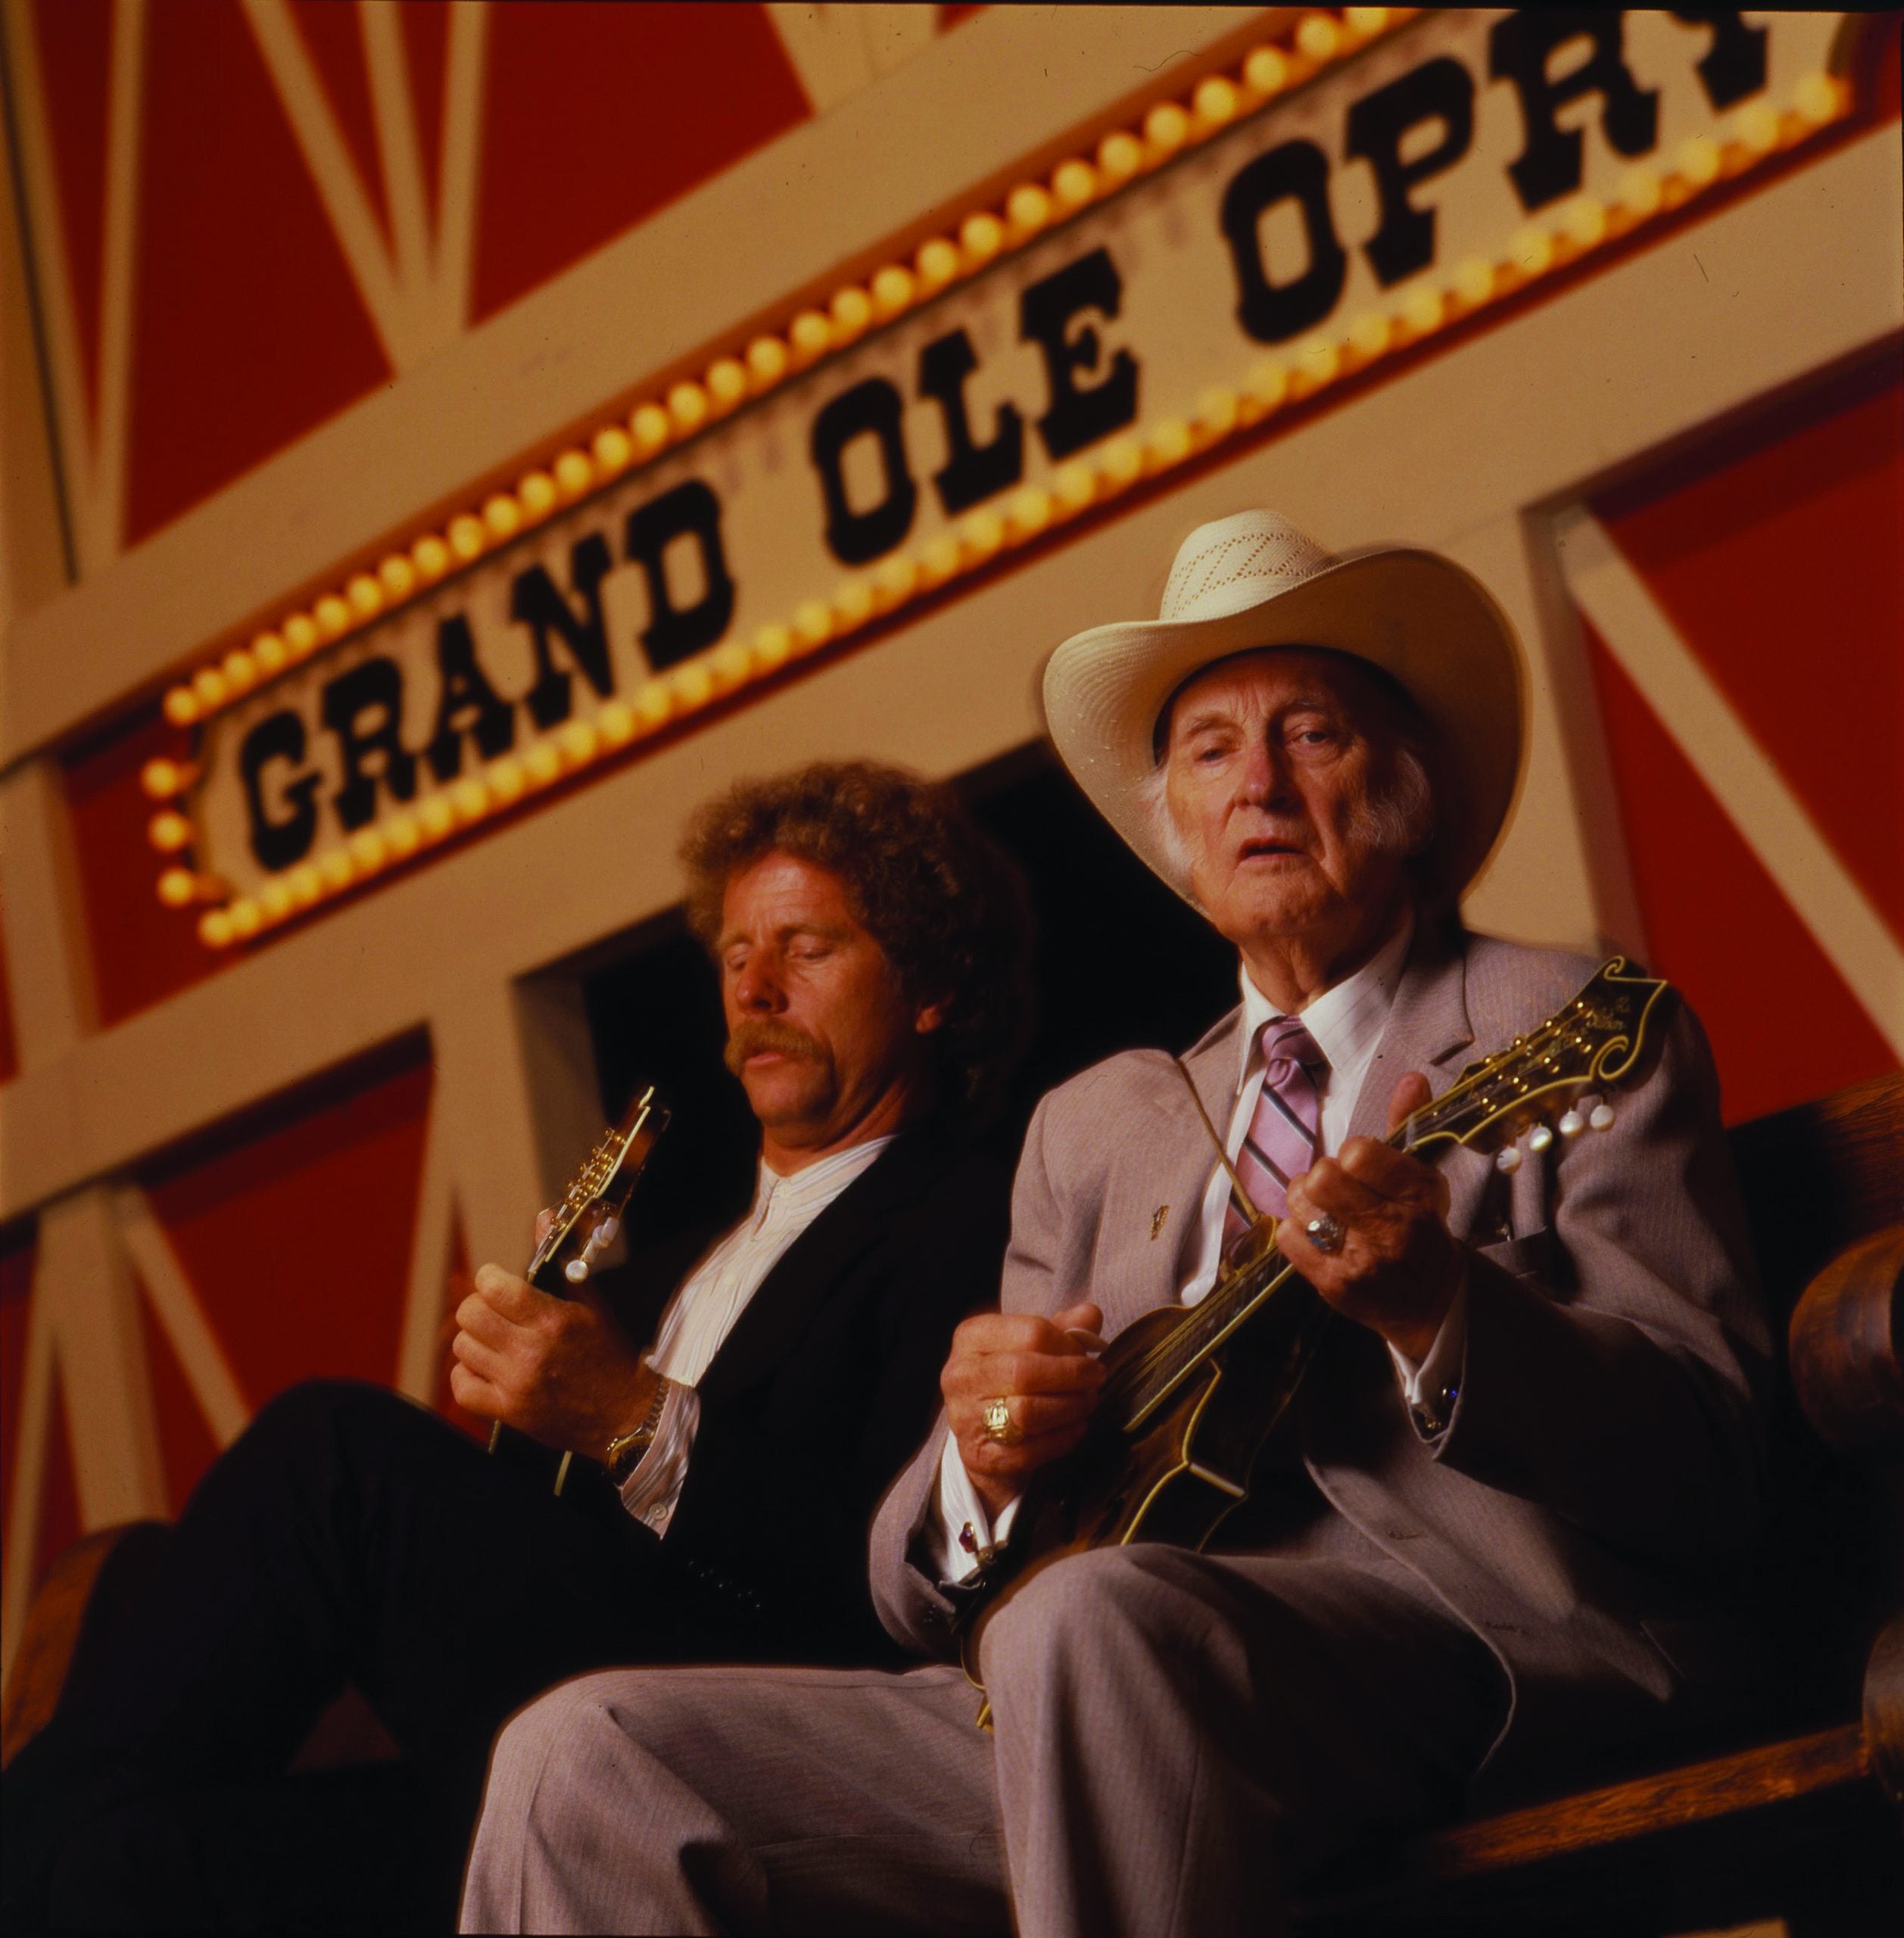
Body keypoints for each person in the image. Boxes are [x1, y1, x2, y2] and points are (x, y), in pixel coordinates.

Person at [462, 509, 1771, 1937]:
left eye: (1311, 735)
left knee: (1084, 1628)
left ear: (1402, 792)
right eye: (1210, 751)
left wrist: (1442, 1311)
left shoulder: (1571, 1025)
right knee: (581, 1761)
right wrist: (977, 1459)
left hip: (1476, 1655)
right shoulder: (1095, 1125)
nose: (1257, 782)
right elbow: (913, 1578)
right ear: (1178, 831)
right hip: (1071, 1690)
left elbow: (1714, 1455)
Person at [0, 760, 1030, 1934]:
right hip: (533, 1759)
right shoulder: (668, 1270)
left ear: (934, 989)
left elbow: (888, 1578)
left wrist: (631, 1419)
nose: (757, 991)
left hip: (760, 1732)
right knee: (130, 1869)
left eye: (808, 948)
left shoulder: (973, 1213)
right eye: (736, 954)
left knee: (334, 1453)